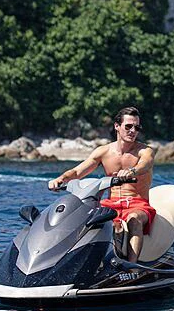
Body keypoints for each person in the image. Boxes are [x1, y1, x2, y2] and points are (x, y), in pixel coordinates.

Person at [47, 106, 158, 262]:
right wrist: (61, 179)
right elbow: (78, 172)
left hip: (137, 204)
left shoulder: (145, 151)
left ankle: (131, 267)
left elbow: (145, 164)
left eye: (137, 127)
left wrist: (132, 171)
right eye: (128, 126)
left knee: (134, 219)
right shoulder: (103, 152)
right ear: (117, 126)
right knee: (91, 219)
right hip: (111, 204)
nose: (133, 130)